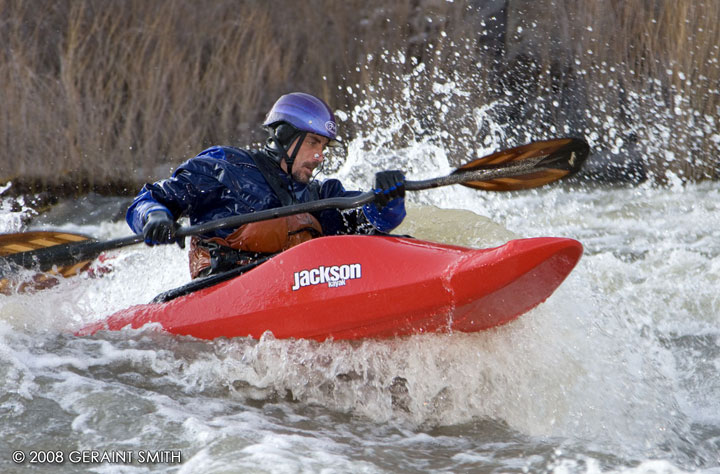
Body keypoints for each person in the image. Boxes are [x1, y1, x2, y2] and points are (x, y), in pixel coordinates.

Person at [126, 92, 406, 278]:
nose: (320, 156)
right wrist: (155, 217)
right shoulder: (226, 168)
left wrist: (387, 199)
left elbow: (372, 228)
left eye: (323, 146)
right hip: (223, 293)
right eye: (312, 142)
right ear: (284, 135)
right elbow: (150, 199)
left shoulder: (321, 196)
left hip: (292, 298)